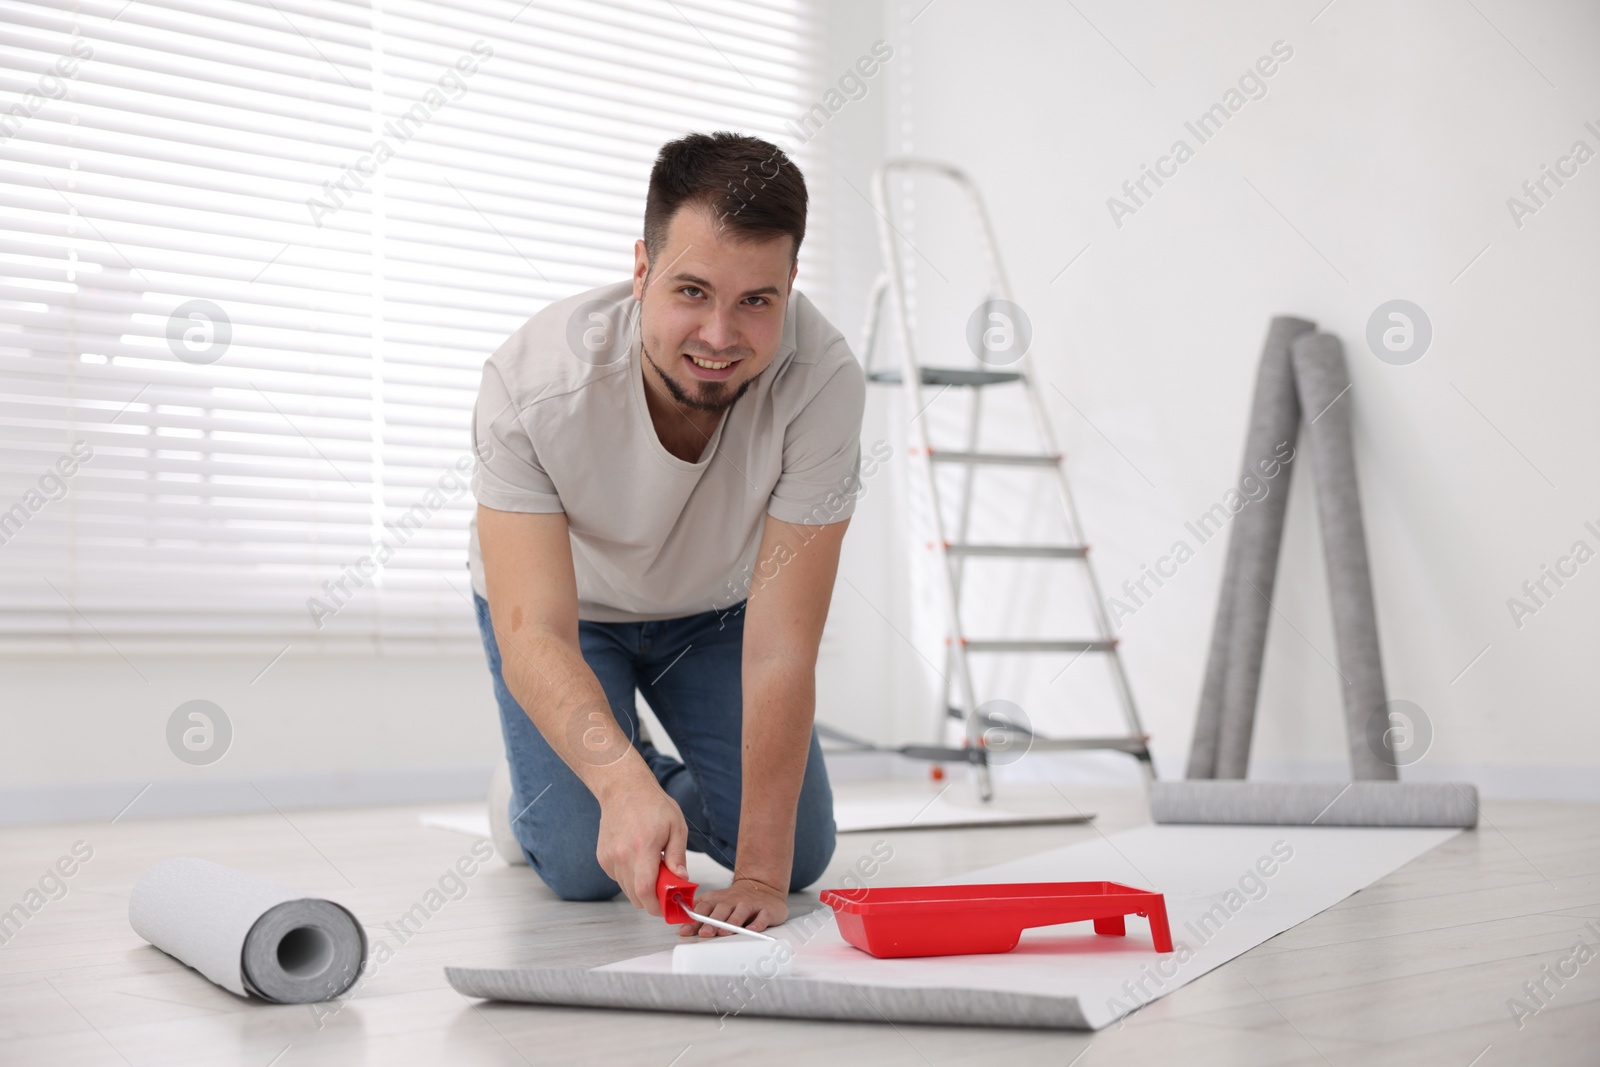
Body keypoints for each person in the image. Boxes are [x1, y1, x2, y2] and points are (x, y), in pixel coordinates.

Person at [467, 131, 865, 937]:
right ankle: (538, 794)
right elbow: (533, 633)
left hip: (713, 614)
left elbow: (783, 646)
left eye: (757, 300)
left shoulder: (822, 383)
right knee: (582, 866)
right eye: (691, 290)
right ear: (642, 269)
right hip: (571, 619)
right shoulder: (533, 384)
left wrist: (758, 869)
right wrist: (616, 786)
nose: (720, 335)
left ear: (790, 284)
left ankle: (631, 776)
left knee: (804, 852)